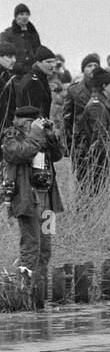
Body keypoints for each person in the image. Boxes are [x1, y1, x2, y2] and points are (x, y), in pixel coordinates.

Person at [2, 105, 64, 303]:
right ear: (23, 122)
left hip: (48, 200)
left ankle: (38, 291)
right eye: (33, 122)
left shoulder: (38, 135)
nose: (37, 124)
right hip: (28, 200)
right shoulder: (11, 136)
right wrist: (36, 134)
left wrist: (51, 136)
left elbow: (58, 156)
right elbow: (18, 154)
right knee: (31, 245)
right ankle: (23, 291)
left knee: (46, 247)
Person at [73, 69, 110, 197]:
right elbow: (100, 138)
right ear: (104, 86)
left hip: (97, 159)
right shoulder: (96, 106)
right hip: (95, 162)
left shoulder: (101, 104)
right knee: (93, 196)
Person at [0, 4, 41, 74]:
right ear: (16, 16)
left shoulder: (33, 34)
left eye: (27, 14)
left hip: (31, 73)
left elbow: (38, 51)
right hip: (14, 73)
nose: (25, 17)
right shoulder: (7, 33)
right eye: (21, 14)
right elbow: (3, 54)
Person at [0, 42, 21, 134]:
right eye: (9, 57)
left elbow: (11, 105)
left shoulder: (8, 76)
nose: (14, 60)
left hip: (6, 127)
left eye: (14, 57)